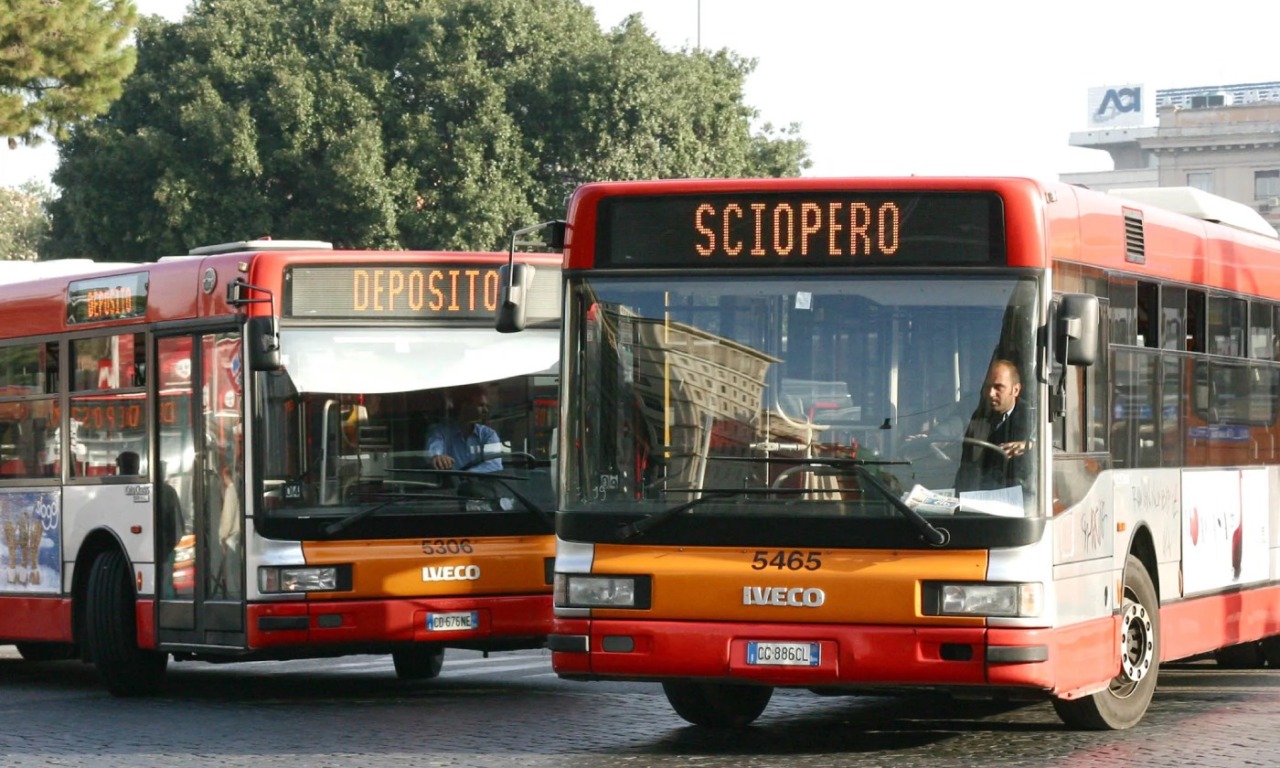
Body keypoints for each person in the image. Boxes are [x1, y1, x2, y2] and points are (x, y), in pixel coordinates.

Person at [954, 359, 1033, 492]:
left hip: (1013, 498)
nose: (990, 394)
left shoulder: (1032, 418)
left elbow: (1049, 448)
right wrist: (933, 434)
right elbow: (954, 423)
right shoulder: (976, 411)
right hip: (972, 496)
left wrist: (1029, 445)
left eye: (998, 387)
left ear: (1016, 390)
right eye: (987, 386)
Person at [425, 385, 504, 473]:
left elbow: (495, 464)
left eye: (486, 406)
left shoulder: (488, 434)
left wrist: (467, 475)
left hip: (482, 485)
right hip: (451, 486)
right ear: (465, 405)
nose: (485, 410)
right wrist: (437, 457)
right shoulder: (440, 431)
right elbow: (433, 450)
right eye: (480, 405)